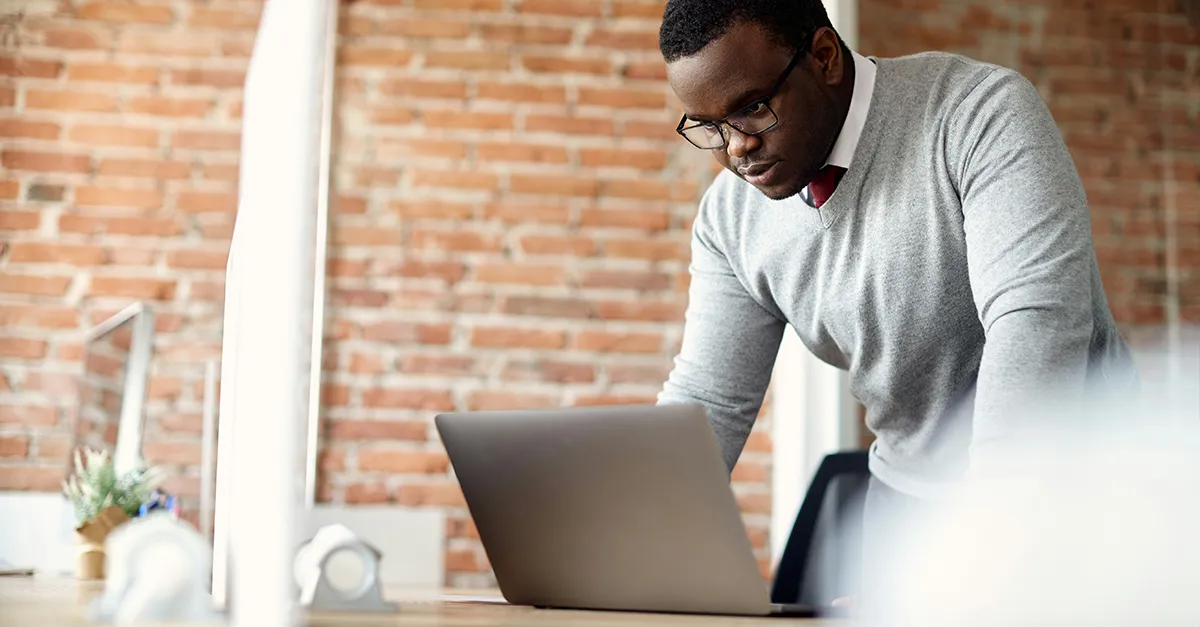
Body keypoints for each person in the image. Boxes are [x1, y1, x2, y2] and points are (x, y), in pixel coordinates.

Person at [653, 0, 1136, 608]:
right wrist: (631, 548)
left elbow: (1034, 327)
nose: (736, 150)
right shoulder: (731, 218)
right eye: (708, 127)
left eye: (752, 109)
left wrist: (980, 554)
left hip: (1081, 502)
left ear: (824, 57)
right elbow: (710, 400)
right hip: (908, 511)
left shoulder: (977, 114)